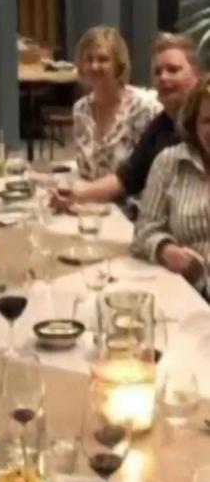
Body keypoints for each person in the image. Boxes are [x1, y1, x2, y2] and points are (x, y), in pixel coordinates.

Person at [51, 33, 201, 210]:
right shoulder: (162, 125)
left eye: (173, 70)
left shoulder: (199, 123)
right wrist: (76, 194)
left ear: (197, 75)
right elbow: (127, 178)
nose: (163, 78)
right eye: (157, 72)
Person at [131, 75, 210, 287]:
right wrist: (165, 249)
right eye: (207, 120)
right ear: (194, 123)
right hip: (189, 291)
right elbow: (143, 230)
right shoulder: (170, 162)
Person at [72, 26, 161, 181]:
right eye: (89, 59)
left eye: (102, 59)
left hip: (131, 202)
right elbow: (84, 171)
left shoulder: (145, 107)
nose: (94, 66)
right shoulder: (81, 109)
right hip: (89, 199)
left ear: (119, 65)